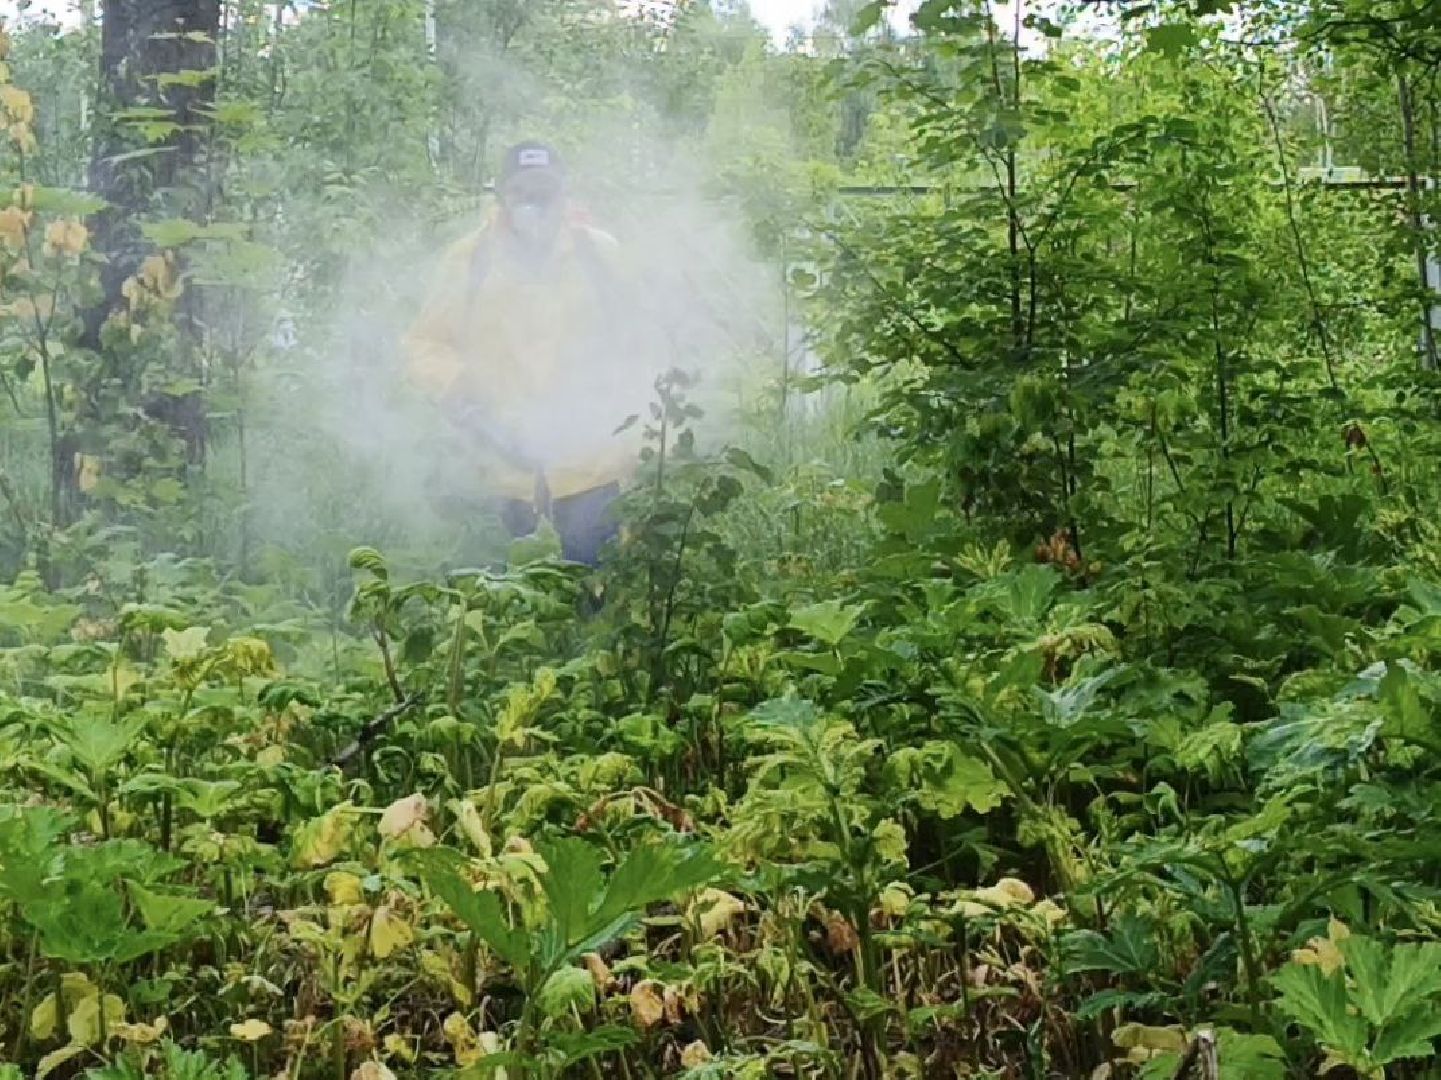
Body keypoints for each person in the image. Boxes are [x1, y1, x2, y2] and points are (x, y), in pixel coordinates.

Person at [402, 142, 647, 566]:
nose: (534, 202)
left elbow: (643, 339)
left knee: (597, 605)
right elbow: (425, 344)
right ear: (501, 197)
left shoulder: (599, 255)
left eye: (545, 191)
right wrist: (462, 391)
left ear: (564, 195)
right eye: (521, 191)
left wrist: (636, 429)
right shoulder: (469, 260)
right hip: (501, 469)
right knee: (510, 611)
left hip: (591, 466)